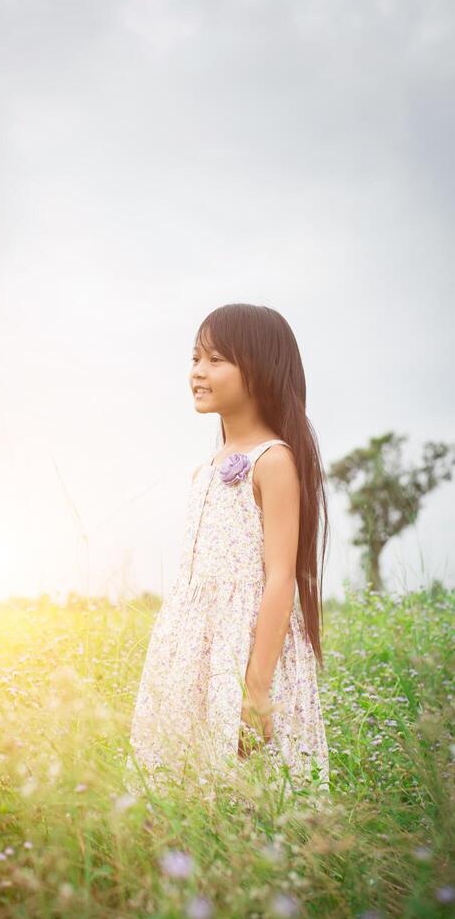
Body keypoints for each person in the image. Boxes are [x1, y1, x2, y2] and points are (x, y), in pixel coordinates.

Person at [126, 303, 330, 795]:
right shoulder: (207, 467)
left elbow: (281, 577)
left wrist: (256, 689)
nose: (198, 371)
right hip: (196, 648)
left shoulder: (272, 460)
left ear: (258, 368)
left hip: (244, 653)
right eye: (196, 358)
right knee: (183, 783)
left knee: (250, 791)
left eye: (216, 359)